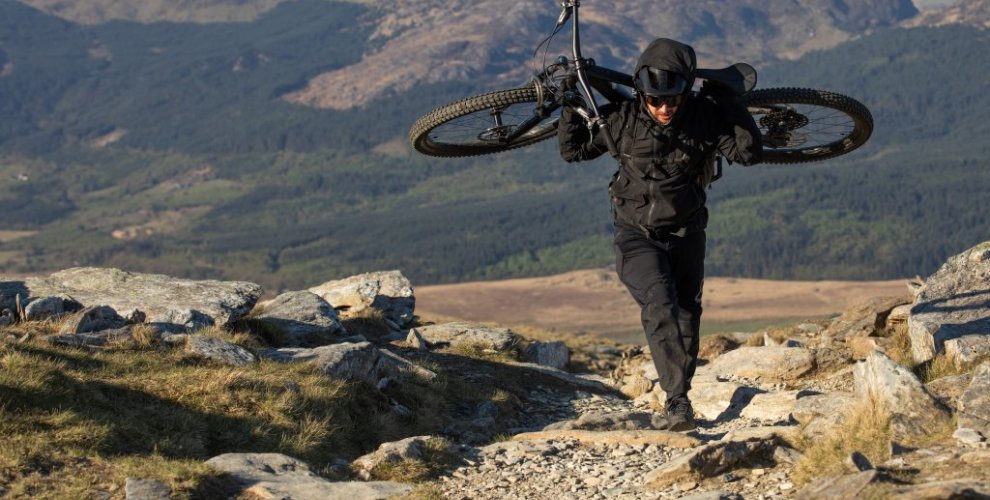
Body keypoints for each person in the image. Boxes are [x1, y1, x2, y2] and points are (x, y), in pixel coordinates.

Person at [557, 38, 763, 431]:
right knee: (660, 304)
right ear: (642, 94)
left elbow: (747, 153)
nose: (665, 108)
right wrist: (570, 106)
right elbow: (575, 151)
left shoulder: (703, 117)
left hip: (688, 232)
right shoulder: (622, 119)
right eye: (655, 100)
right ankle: (677, 402)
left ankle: (679, 394)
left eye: (673, 99)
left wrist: (728, 103)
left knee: (687, 315)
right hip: (636, 234)